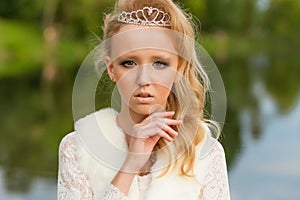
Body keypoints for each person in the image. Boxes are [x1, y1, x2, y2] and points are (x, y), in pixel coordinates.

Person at [57, 0, 230, 199]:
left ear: (179, 68)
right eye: (129, 63)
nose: (143, 80)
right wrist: (130, 165)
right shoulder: (78, 147)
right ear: (111, 69)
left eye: (159, 63)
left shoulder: (205, 152)